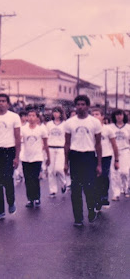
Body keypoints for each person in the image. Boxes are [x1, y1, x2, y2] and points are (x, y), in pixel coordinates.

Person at [64, 95, 102, 226]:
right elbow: (67, 144)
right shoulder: (70, 122)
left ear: (87, 106)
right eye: (78, 104)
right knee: (76, 189)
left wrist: (99, 164)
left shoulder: (94, 122)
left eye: (83, 104)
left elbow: (98, 145)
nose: (80, 107)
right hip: (75, 157)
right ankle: (78, 218)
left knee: (89, 188)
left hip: (89, 156)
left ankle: (91, 211)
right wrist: (65, 162)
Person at [20, 107, 50, 207]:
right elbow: (18, 141)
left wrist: (48, 157)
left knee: (35, 178)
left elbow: (46, 144)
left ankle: (37, 197)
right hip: (25, 157)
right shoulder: (23, 129)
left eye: (33, 116)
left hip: (37, 157)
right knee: (27, 179)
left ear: (37, 118)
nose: (31, 118)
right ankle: (30, 199)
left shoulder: (41, 129)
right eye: (29, 116)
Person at [91, 107, 118, 209]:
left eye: (97, 114)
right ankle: (96, 199)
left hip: (106, 156)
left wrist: (116, 160)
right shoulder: (90, 129)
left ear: (102, 116)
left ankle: (104, 196)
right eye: (93, 114)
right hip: (92, 156)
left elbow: (114, 145)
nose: (95, 116)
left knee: (103, 176)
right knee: (93, 178)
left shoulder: (108, 129)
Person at [46, 107, 67, 197]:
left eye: (57, 112)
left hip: (61, 148)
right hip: (50, 147)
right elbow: (46, 136)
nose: (55, 114)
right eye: (54, 112)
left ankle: (64, 183)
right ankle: (53, 190)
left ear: (61, 113)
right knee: (50, 170)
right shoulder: (49, 124)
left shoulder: (65, 124)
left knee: (58, 169)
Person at [109, 109, 129, 202]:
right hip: (113, 152)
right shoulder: (110, 127)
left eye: (120, 114)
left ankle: (125, 188)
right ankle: (116, 193)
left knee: (125, 172)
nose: (119, 116)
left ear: (123, 116)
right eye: (117, 115)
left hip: (125, 151)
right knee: (114, 173)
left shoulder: (128, 127)